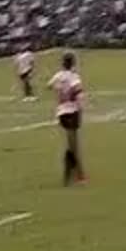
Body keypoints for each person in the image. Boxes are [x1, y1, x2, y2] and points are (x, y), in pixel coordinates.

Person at [47, 51, 86, 186]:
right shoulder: (74, 77)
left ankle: (72, 172)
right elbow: (78, 91)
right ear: (73, 63)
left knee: (71, 143)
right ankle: (78, 174)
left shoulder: (58, 75)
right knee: (74, 145)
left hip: (61, 113)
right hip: (72, 111)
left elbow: (49, 85)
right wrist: (81, 108)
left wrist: (59, 88)